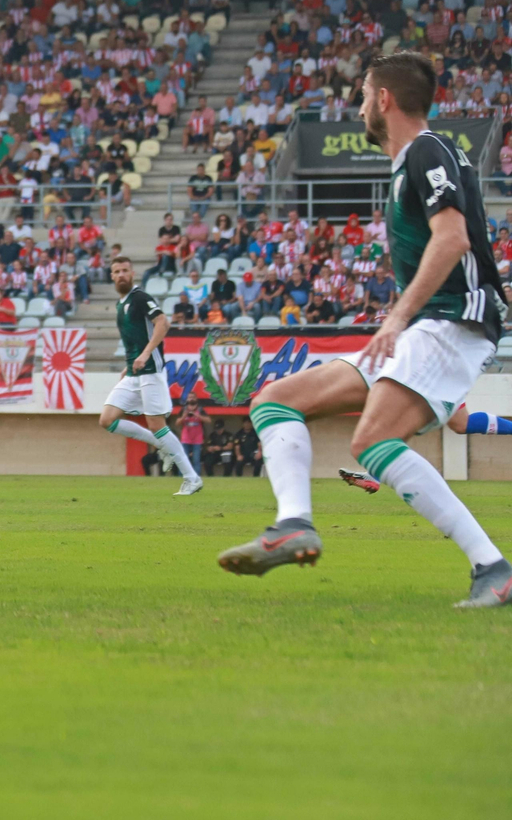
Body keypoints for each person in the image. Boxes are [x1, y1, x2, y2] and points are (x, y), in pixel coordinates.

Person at [219, 52, 512, 607]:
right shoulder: (409, 162)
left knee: (373, 440)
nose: (357, 108)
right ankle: (293, 524)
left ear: (384, 99)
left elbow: (453, 239)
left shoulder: (430, 147)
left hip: (450, 323)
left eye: (361, 96)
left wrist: (399, 316)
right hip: (423, 328)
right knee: (275, 401)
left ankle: (493, 567)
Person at [98, 254, 203, 495]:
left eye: (125, 270)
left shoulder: (140, 298)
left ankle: (191, 477)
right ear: (112, 276)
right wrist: (131, 362)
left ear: (132, 273)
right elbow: (134, 337)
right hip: (134, 372)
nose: (121, 275)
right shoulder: (121, 303)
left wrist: (145, 354)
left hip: (151, 371)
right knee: (107, 419)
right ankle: (161, 446)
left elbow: (163, 323)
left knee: (157, 425)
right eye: (117, 271)